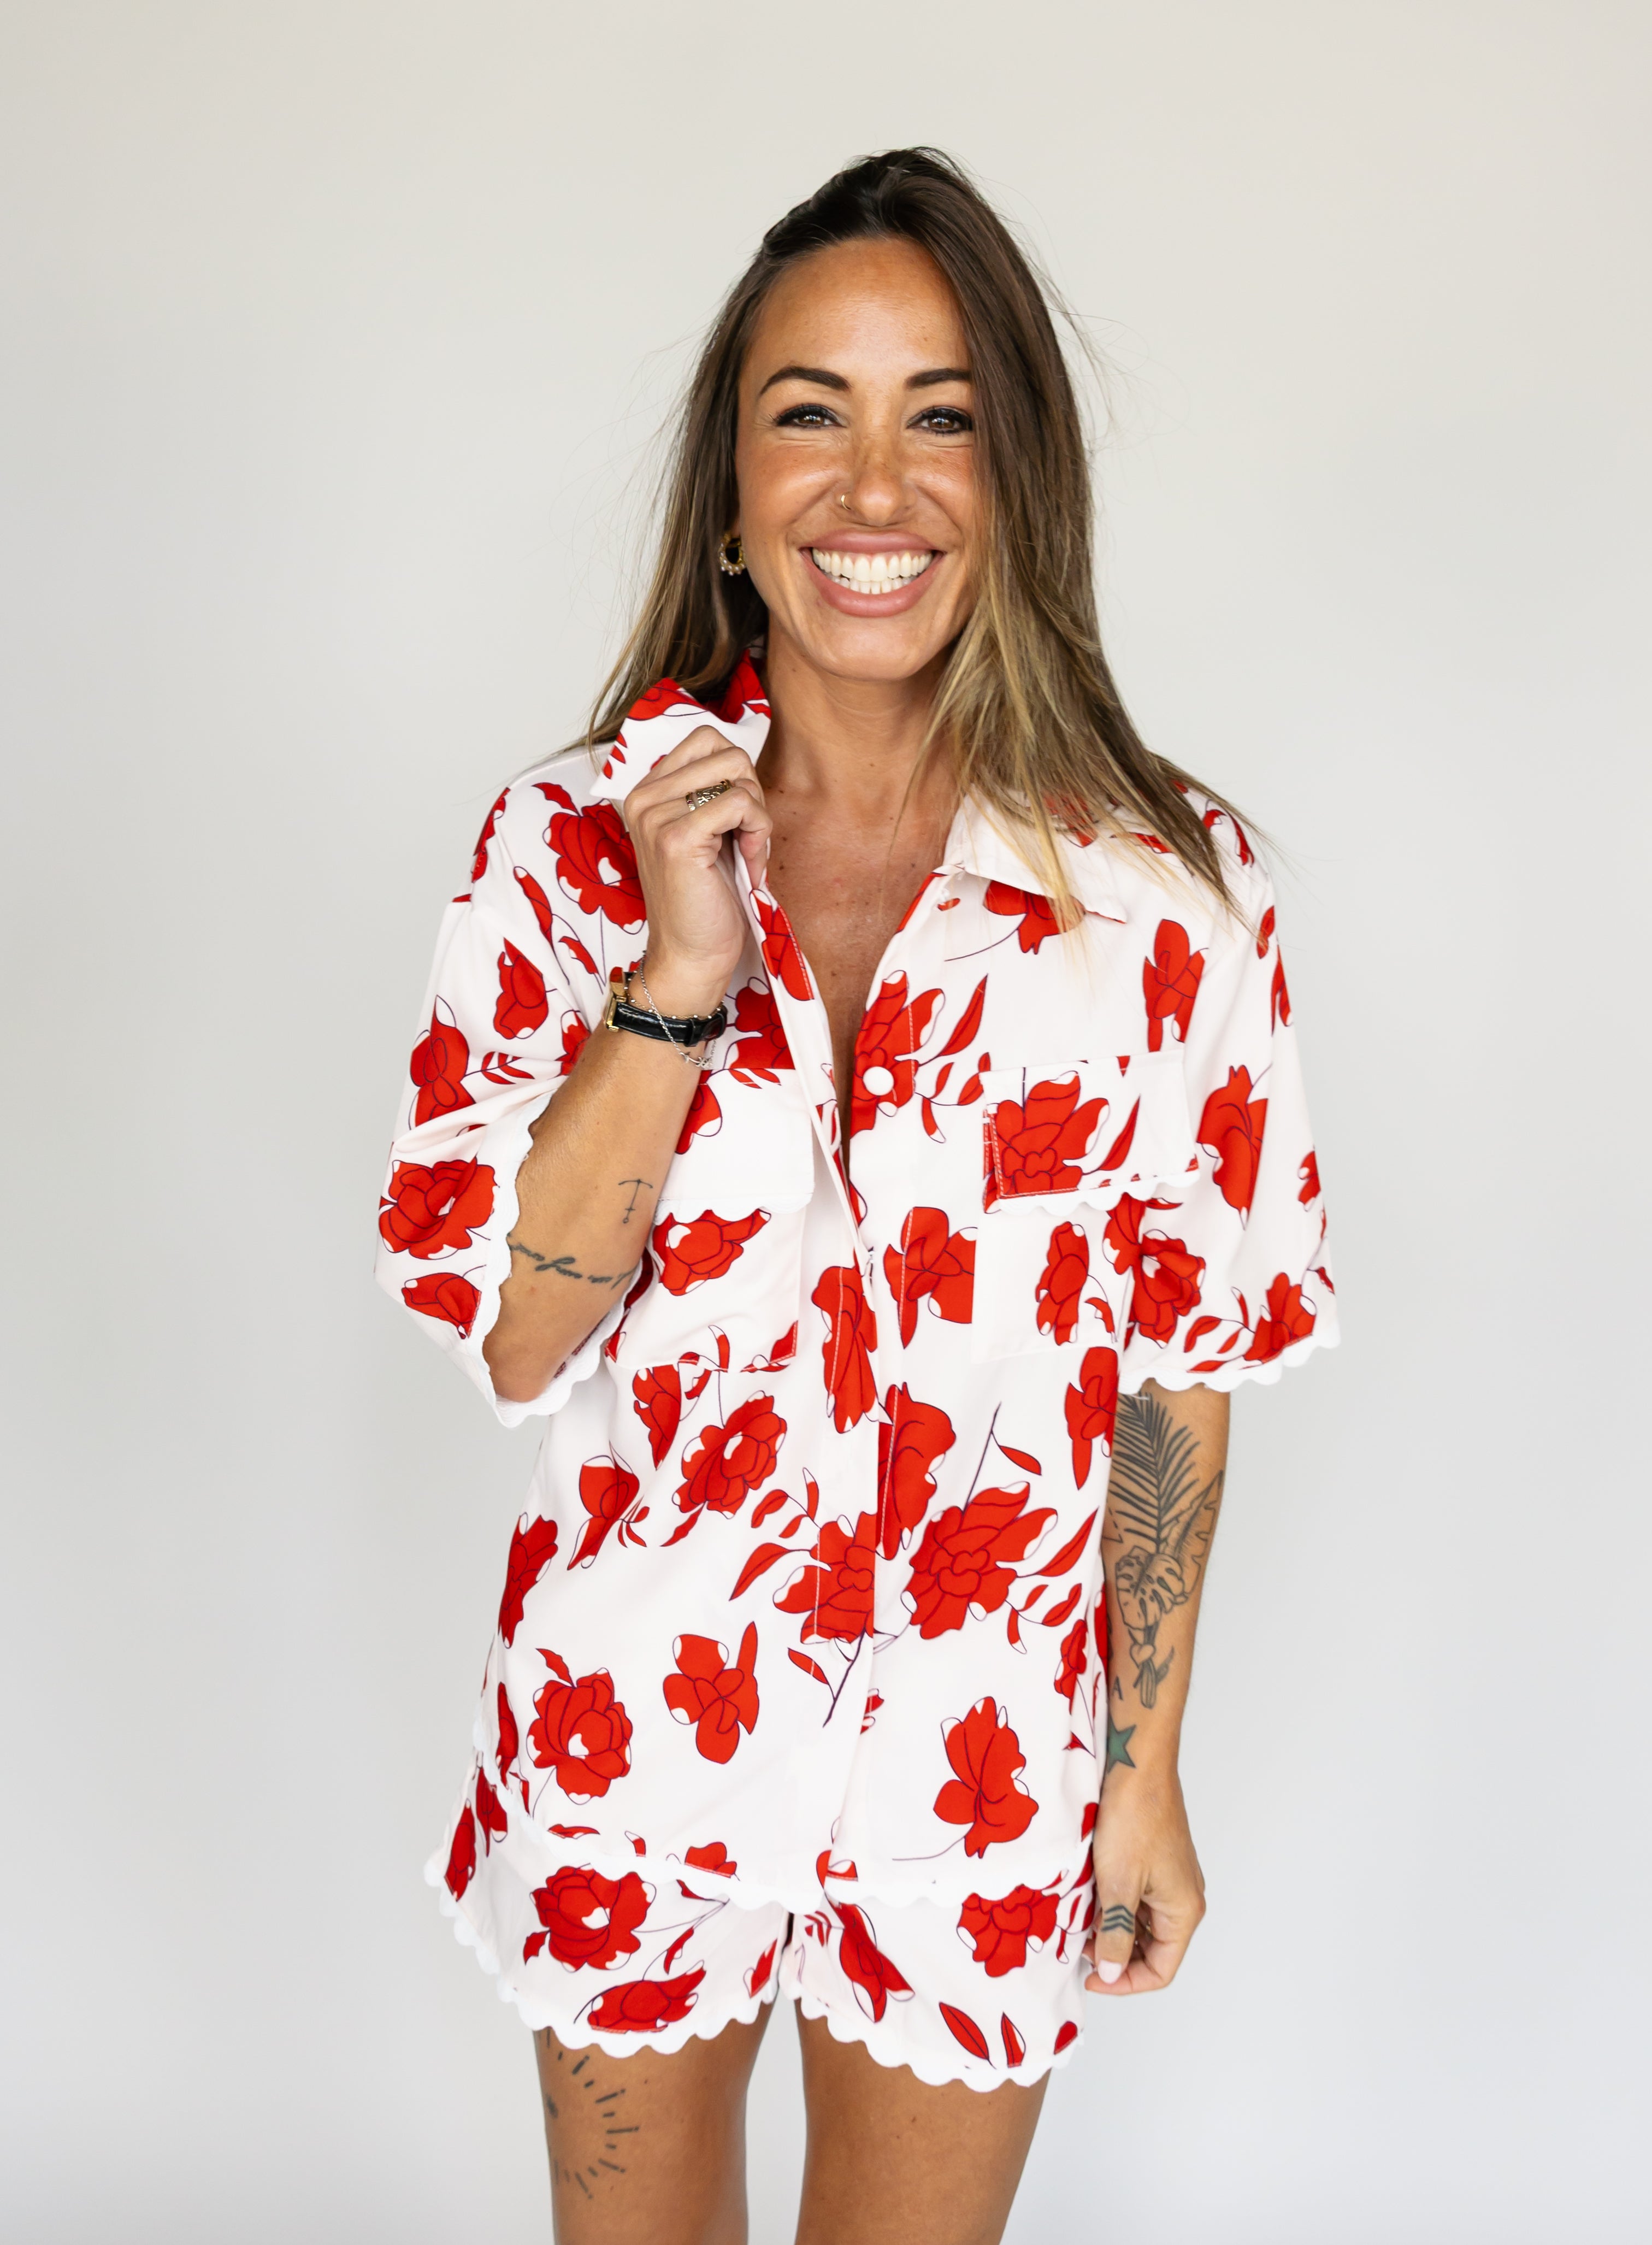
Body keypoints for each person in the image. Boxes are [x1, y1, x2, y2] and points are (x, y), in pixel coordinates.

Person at [375, 147, 1336, 2245]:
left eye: (943, 418)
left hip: (978, 1768)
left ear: (1018, 482)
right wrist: (676, 977)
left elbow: (1179, 1365)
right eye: (810, 413)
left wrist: (1143, 1771)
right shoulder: (563, 851)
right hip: (638, 1735)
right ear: (733, 494)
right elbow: (518, 1332)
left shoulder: (1175, 897)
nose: (874, 487)